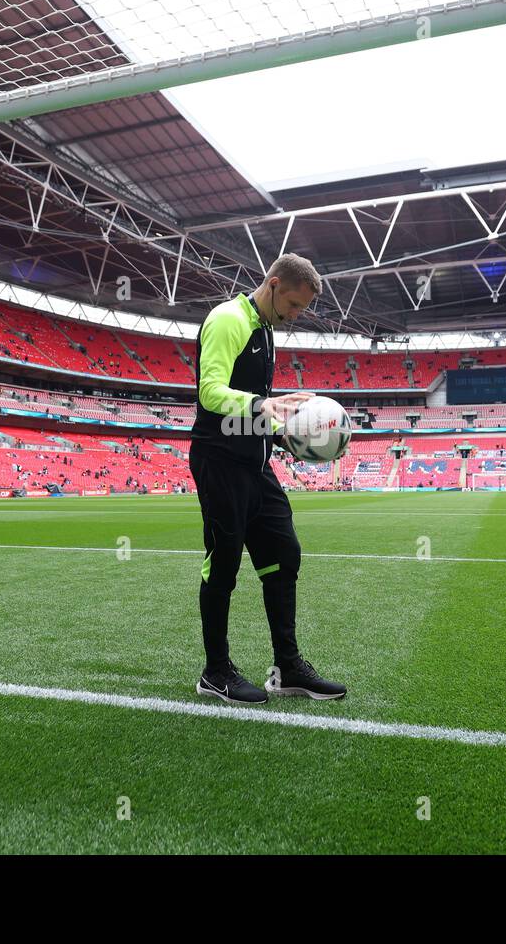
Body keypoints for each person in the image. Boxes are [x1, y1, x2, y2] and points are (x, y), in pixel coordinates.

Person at [189, 253, 346, 705]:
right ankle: (215, 671)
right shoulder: (227, 320)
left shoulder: (266, 328)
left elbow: (256, 409)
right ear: (274, 284)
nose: (297, 316)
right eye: (295, 305)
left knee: (284, 553)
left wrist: (288, 435)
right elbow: (210, 392)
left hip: (255, 465)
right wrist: (263, 405)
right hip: (219, 462)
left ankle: (288, 667)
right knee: (223, 563)